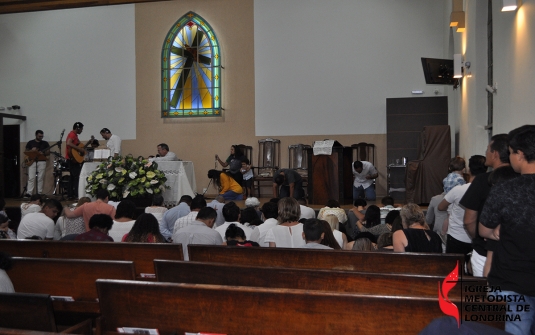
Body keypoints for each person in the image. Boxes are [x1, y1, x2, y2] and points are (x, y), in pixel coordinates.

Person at [479, 125, 535, 335]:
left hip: (511, 281)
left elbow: (484, 229)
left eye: (511, 153)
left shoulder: (505, 189)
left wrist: (494, 232)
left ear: (520, 155)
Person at [460, 134, 511, 277]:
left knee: (485, 295)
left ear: (495, 154)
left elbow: (469, 220)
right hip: (515, 253)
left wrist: (477, 241)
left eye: (487, 149)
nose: (486, 153)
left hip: (483, 251)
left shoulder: (483, 180)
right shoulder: (522, 178)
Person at [438, 155, 486, 259]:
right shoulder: (490, 191)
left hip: (456, 238)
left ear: (468, 170)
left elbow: (441, 207)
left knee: (454, 272)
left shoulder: (458, 190)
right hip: (480, 240)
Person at [65, 122, 92, 199]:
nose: (82, 131)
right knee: (75, 177)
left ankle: (72, 194)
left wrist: (88, 143)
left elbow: (81, 146)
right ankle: (74, 194)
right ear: (78, 128)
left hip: (74, 159)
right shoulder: (72, 134)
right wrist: (78, 149)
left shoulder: (75, 136)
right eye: (81, 129)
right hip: (71, 159)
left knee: (74, 177)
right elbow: (69, 143)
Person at [24, 130, 49, 196]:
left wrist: (43, 153)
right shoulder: (30, 142)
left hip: (42, 161)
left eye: (42, 136)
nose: (41, 137)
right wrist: (31, 150)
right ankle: (29, 193)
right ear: (36, 135)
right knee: (31, 177)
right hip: (32, 161)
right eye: (39, 136)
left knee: (40, 178)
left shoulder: (45, 143)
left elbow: (48, 152)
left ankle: (39, 193)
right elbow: (26, 151)